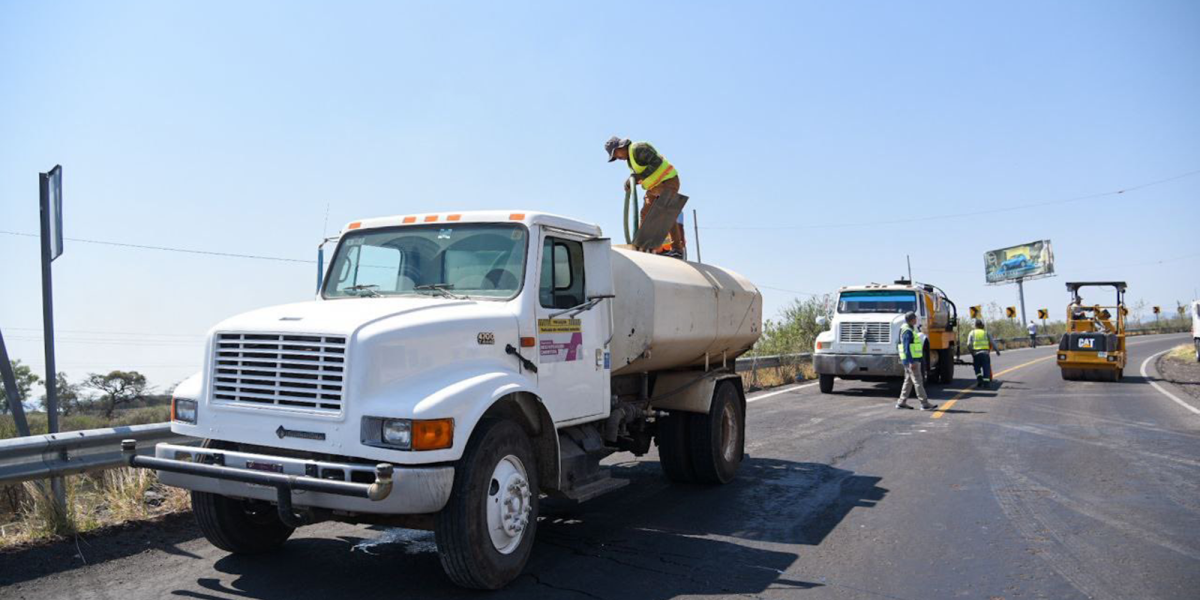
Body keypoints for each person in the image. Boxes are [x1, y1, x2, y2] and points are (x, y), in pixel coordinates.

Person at [604, 136, 686, 256]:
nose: (617, 158)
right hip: (654, 187)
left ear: (620, 146)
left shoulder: (638, 149)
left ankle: (677, 250)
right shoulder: (630, 160)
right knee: (645, 213)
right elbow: (640, 173)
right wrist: (632, 180)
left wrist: (639, 176)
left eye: (616, 154)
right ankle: (644, 246)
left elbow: (656, 163)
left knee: (665, 212)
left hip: (667, 180)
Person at [896, 312, 937, 410]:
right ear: (911, 319)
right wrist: (911, 362)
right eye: (915, 318)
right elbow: (906, 348)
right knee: (918, 381)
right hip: (912, 361)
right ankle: (924, 404)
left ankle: (901, 402)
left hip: (911, 360)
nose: (916, 320)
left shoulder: (909, 329)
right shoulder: (908, 331)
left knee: (908, 381)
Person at [967, 319, 1001, 388]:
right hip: (985, 354)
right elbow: (992, 342)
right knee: (986, 368)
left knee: (977, 368)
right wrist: (997, 351)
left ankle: (980, 380)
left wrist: (971, 352)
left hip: (976, 354)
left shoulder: (972, 332)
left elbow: (968, 344)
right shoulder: (986, 332)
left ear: (975, 325)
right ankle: (986, 384)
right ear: (982, 325)